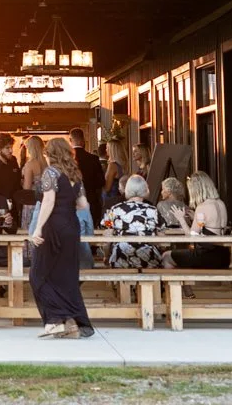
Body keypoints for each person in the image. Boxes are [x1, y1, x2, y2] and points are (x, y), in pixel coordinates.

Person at [28, 136, 94, 339]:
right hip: (71, 227)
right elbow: (84, 205)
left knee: (38, 275)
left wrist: (37, 229)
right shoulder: (75, 174)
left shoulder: (51, 172)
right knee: (66, 277)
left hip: (53, 228)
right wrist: (67, 206)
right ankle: (71, 320)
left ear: (52, 154)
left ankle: (54, 321)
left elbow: (48, 201)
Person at [162, 171, 230, 271]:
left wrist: (181, 218)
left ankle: (176, 286)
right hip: (224, 256)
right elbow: (212, 226)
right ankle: (183, 286)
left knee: (166, 256)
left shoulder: (202, 207)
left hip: (207, 256)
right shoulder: (220, 203)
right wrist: (195, 219)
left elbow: (191, 237)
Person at [105, 175, 161, 269]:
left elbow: (108, 231)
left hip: (121, 256)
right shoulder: (153, 210)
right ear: (145, 189)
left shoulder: (115, 209)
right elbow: (161, 235)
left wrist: (106, 255)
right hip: (148, 256)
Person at [69, 128, 106, 228]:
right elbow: (101, 182)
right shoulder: (93, 159)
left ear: (70, 140)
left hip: (71, 202)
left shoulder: (67, 160)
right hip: (91, 200)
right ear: (83, 140)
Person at [103, 140, 128, 211]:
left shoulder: (112, 165)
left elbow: (107, 188)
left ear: (112, 150)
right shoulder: (122, 164)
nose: (106, 150)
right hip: (119, 197)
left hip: (110, 198)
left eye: (107, 147)